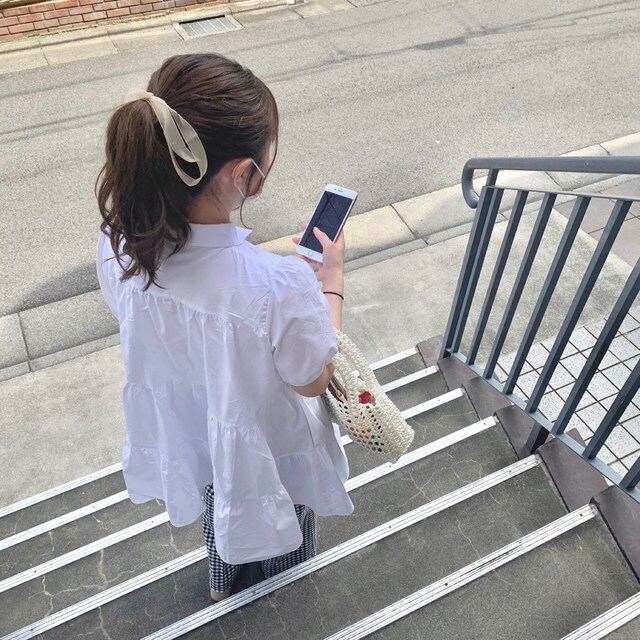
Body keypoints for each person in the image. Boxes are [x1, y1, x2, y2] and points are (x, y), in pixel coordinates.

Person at [95, 53, 354, 602]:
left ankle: (223, 584)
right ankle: (279, 598)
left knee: (221, 505)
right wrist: (329, 283)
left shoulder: (117, 248)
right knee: (282, 517)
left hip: (198, 434)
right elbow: (313, 379)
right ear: (242, 174)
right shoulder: (279, 284)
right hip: (272, 444)